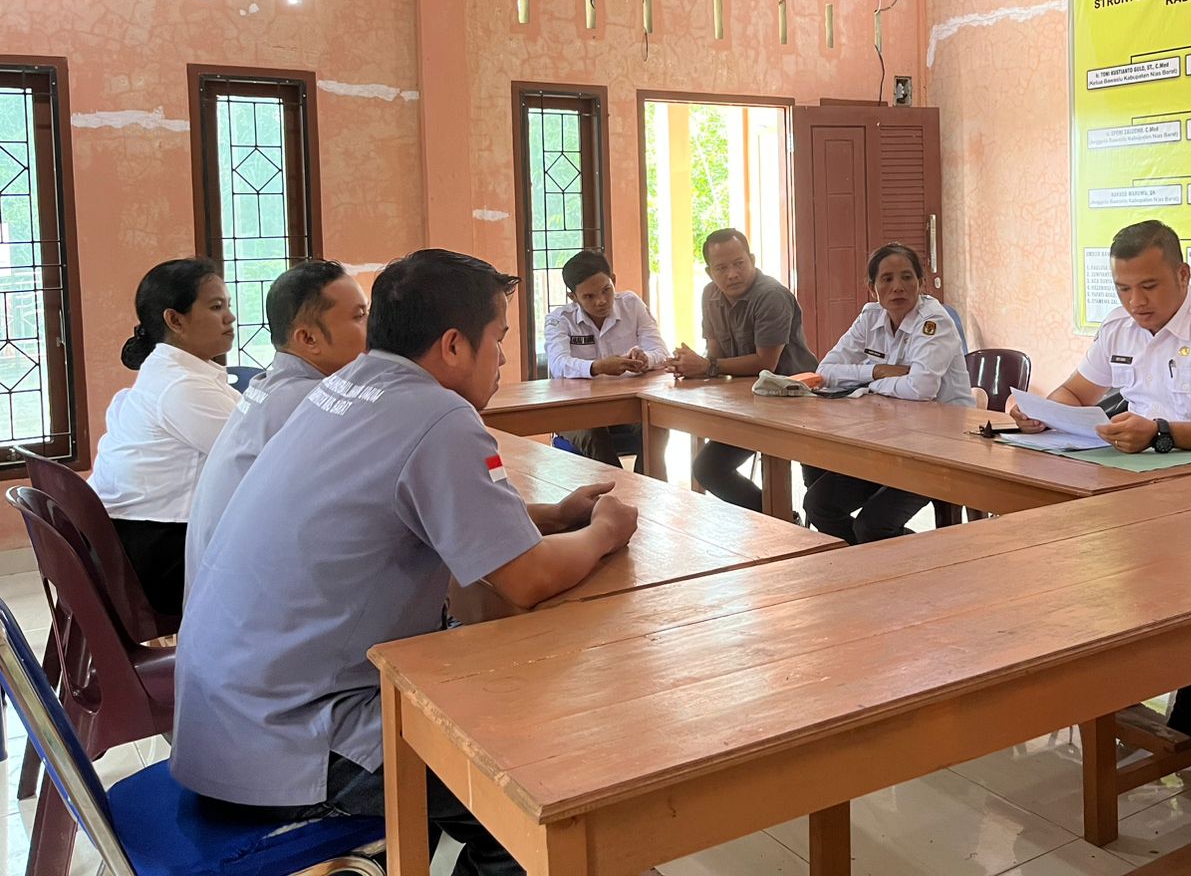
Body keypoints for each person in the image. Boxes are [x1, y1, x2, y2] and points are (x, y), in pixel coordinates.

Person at [173, 249, 638, 875]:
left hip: (227, 714)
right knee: (544, 807)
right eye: (497, 339)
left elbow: (420, 508)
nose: (503, 356)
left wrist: (552, 517)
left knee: (495, 698)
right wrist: (605, 531)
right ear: (452, 345)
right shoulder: (436, 413)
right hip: (297, 740)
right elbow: (527, 579)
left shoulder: (342, 387)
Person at [1010, 219, 1191, 735]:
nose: (1137, 301)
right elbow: (1074, 393)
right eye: (1123, 288)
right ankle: (1106, 686)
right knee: (1078, 558)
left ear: (1183, 274)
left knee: (1166, 569)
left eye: (1149, 286)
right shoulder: (1117, 328)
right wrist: (1040, 413)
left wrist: (1162, 432)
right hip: (1136, 485)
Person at [183, 260, 370, 601]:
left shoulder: (275, 388)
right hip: (246, 611)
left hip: (219, 604)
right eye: (359, 316)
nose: (373, 328)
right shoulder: (314, 404)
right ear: (308, 338)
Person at [90, 257, 240, 618]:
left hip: (136, 543)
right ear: (175, 320)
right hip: (157, 560)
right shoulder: (181, 387)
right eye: (216, 307)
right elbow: (262, 457)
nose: (230, 318)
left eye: (228, 306)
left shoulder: (177, 373)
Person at [804, 243, 971, 544]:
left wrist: (864, 385)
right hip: (886, 442)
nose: (898, 287)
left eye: (907, 277)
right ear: (872, 288)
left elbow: (920, 389)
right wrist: (876, 372)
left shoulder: (935, 322)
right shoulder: (869, 318)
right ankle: (871, 563)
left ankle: (921, 565)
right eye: (887, 279)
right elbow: (825, 370)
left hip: (938, 449)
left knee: (872, 525)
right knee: (819, 504)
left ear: (921, 283)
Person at [667, 228, 819, 512]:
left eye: (739, 263)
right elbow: (715, 356)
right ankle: (781, 517)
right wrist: (688, 364)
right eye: (721, 268)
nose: (732, 274)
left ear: (752, 259)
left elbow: (766, 363)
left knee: (819, 492)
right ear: (709, 271)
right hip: (747, 404)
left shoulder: (771, 295)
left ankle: (810, 529)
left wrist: (707, 366)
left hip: (797, 401)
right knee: (708, 469)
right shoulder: (710, 295)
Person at [543, 248, 669, 466]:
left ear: (613, 280)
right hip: (575, 410)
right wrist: (598, 367)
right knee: (594, 435)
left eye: (606, 290)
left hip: (627, 407)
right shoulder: (559, 320)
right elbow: (558, 364)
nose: (601, 301)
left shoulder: (632, 305)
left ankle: (649, 495)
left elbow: (661, 353)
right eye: (589, 297)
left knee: (656, 427)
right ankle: (616, 495)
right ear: (573, 297)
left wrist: (644, 359)